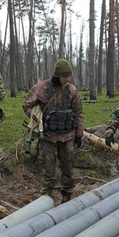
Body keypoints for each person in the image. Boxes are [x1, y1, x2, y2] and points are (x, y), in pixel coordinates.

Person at [23, 59, 84, 204]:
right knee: (48, 172)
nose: (67, 79)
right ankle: (45, 200)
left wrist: (79, 135)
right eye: (64, 76)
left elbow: (79, 112)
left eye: (69, 76)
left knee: (68, 171)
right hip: (48, 137)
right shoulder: (40, 88)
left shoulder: (72, 90)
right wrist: (40, 117)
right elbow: (26, 106)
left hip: (67, 136)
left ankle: (67, 198)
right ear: (57, 75)